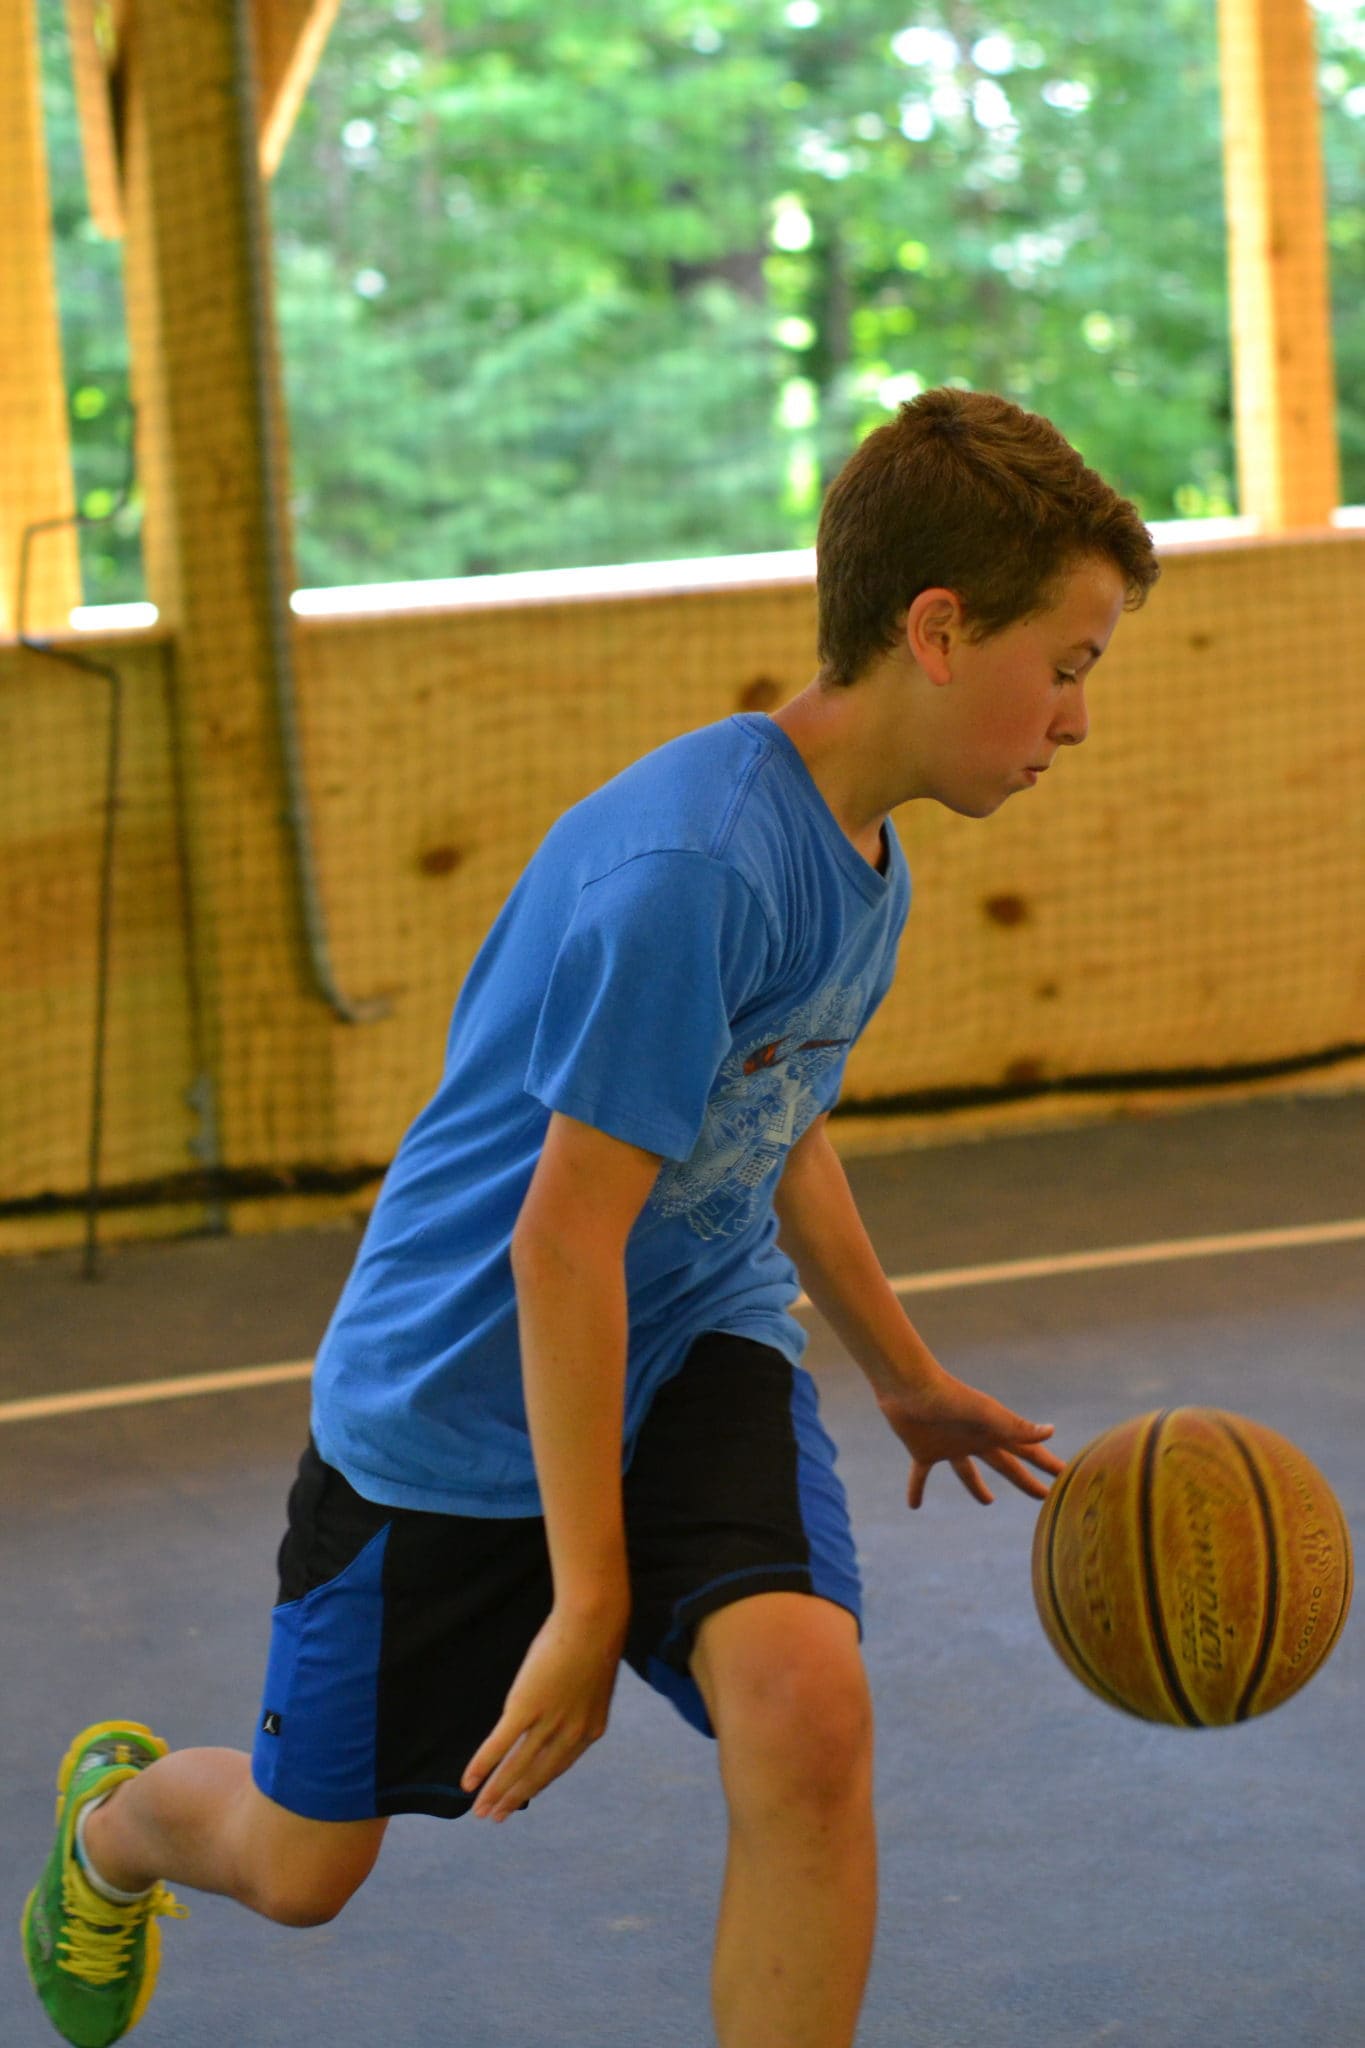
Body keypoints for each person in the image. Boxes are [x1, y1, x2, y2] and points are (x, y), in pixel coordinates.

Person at [24, 386, 1160, 2048]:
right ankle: (115, 1828)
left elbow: (774, 1122)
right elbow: (556, 1244)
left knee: (805, 1710)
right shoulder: (695, 869)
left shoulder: (865, 856)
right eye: (1064, 665)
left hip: (687, 1336)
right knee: (299, 1866)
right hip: (459, 1393)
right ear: (935, 632)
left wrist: (903, 1374)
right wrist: (586, 1597)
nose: (1075, 717)